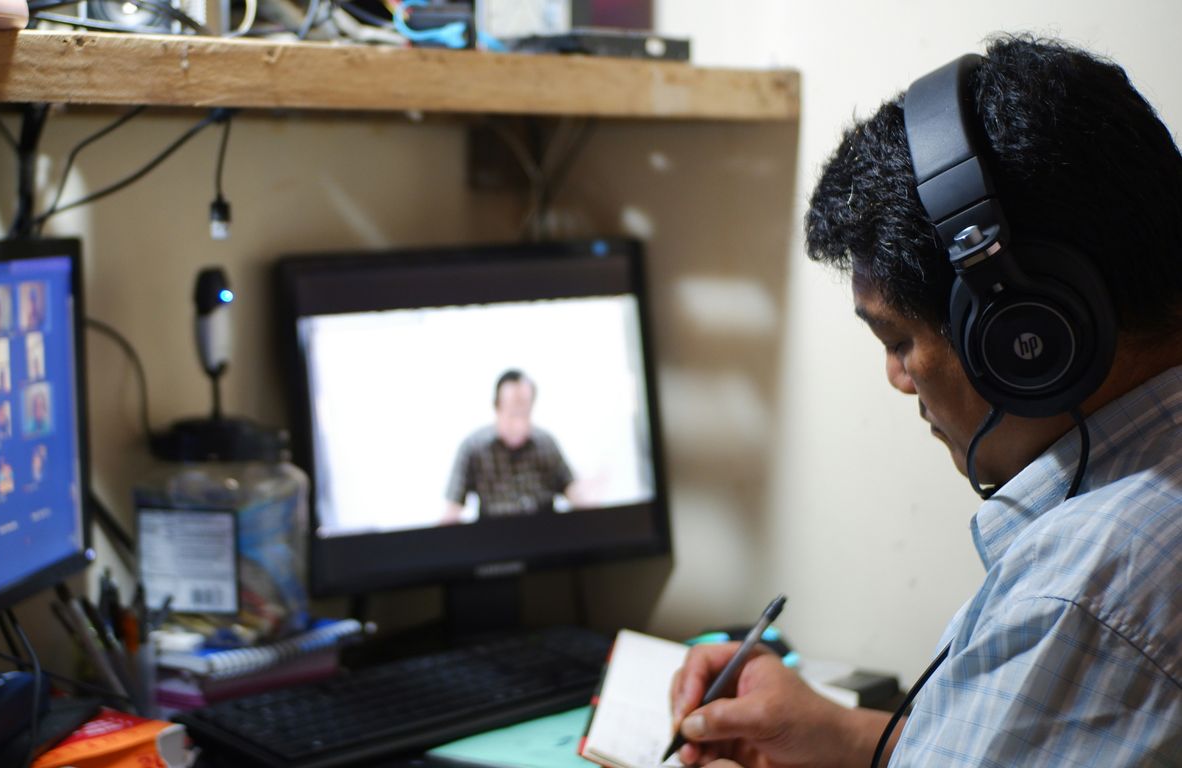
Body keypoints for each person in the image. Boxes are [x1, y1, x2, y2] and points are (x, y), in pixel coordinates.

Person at [670, 37, 1182, 767]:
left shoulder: (1089, 597)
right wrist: (851, 740)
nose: (897, 378)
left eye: (897, 338)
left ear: (1024, 334)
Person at [442, 369, 587, 522]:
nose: (518, 423)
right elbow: (453, 509)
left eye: (524, 412)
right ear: (497, 407)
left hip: (545, 534)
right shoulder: (473, 447)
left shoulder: (546, 444)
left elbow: (572, 491)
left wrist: (585, 494)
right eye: (512, 413)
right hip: (495, 536)